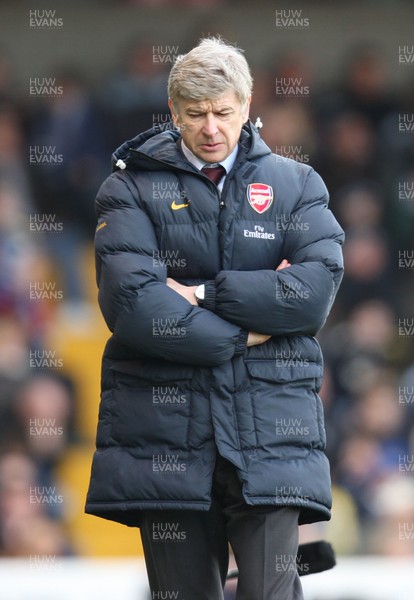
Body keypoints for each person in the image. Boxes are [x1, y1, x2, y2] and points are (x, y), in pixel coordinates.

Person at [85, 37, 344, 600]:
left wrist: (199, 294)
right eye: (196, 114)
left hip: (272, 434)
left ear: (247, 105)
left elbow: (311, 294)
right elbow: (135, 306)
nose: (211, 128)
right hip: (166, 439)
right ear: (173, 111)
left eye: (223, 112)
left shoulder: (298, 185)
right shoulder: (126, 187)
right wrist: (251, 330)